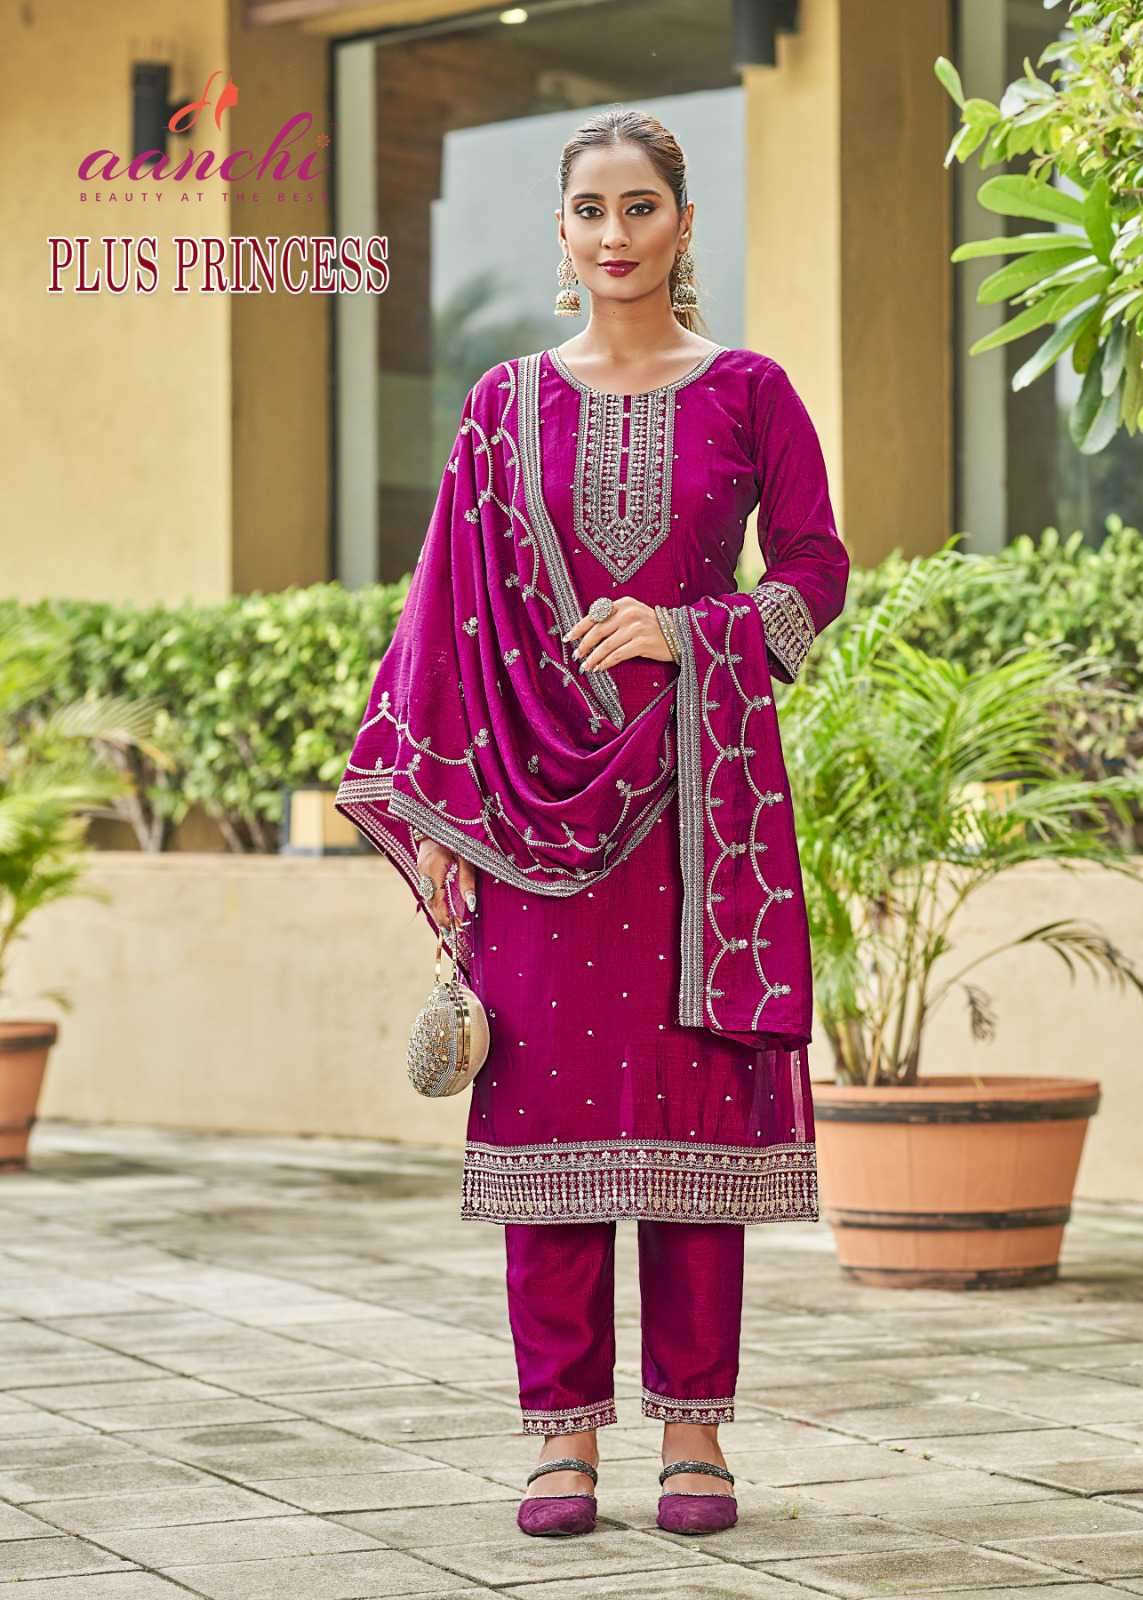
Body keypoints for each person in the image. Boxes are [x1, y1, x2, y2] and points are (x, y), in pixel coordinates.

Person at [335, 107, 850, 1539]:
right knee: (546, 1122)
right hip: (526, 818)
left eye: (639, 208)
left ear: (682, 224)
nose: (613, 235)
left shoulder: (749, 391)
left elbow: (816, 569)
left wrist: (690, 631)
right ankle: (560, 1439)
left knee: (690, 1129)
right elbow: (445, 612)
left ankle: (695, 1435)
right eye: (588, 211)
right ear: (560, 235)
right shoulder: (503, 406)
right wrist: (441, 815)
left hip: (696, 809)